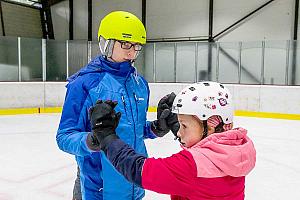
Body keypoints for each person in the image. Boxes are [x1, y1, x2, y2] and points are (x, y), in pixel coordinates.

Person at [56, 11, 179, 200]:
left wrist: (155, 128)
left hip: (135, 182)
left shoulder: (139, 84)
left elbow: (133, 130)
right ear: (107, 43)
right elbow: (64, 137)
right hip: (99, 188)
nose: (131, 52)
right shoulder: (84, 84)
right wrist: (93, 140)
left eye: (137, 46)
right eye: (126, 44)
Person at [88, 81, 257, 200]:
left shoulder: (191, 166)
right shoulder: (237, 150)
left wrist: (107, 136)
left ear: (211, 125)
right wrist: (177, 126)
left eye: (184, 125)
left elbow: (138, 169)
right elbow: (205, 152)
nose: (180, 132)